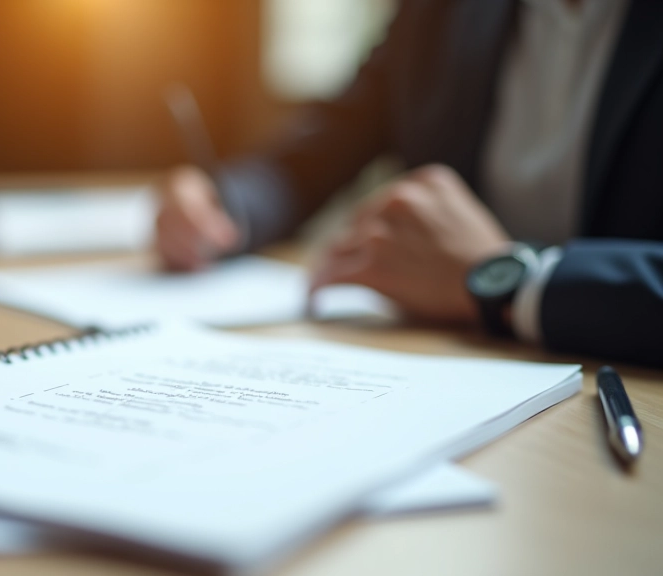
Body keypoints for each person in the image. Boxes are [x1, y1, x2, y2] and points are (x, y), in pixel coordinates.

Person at [155, 0, 663, 367]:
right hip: (457, 361)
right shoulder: (441, 11)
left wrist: (509, 279)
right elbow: (321, 148)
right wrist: (222, 204)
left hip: (618, 386)